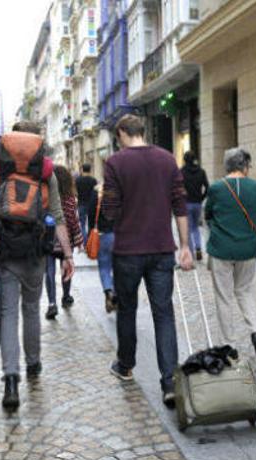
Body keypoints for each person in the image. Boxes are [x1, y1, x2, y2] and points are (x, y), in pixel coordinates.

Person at [0, 120, 74, 412]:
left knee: (8, 314)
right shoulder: (46, 174)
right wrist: (67, 255)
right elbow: (57, 216)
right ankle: (33, 363)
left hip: (3, 254)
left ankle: (10, 379)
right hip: (35, 254)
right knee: (31, 309)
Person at [102, 113, 194, 408]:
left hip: (128, 250)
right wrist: (185, 246)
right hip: (161, 249)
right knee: (163, 313)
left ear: (121, 134)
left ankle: (126, 365)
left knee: (126, 309)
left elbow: (110, 211)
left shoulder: (115, 163)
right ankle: (169, 382)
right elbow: (180, 205)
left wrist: (108, 207)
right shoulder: (167, 159)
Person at [203, 148, 256, 357]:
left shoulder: (217, 188)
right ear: (245, 165)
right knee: (244, 290)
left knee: (224, 297)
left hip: (221, 248)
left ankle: (228, 345)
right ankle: (255, 330)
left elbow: (207, 214)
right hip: (248, 249)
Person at [45, 165, 83, 319]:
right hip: (65, 239)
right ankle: (66, 296)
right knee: (66, 267)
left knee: (49, 271)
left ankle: (52, 303)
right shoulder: (70, 199)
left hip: (48, 239)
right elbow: (74, 221)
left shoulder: (47, 198)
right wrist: (79, 239)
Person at [88, 184, 117, 313]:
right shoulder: (120, 192)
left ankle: (108, 290)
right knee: (117, 268)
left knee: (104, 267)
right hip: (119, 235)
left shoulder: (97, 194)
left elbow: (91, 215)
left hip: (102, 235)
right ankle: (115, 293)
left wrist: (90, 233)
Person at [181, 151, 209, 261]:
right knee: (196, 227)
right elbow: (207, 187)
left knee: (187, 228)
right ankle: (198, 248)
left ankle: (191, 253)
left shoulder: (182, 172)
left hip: (186, 203)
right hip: (198, 203)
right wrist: (202, 198)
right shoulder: (201, 172)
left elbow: (178, 187)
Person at [75, 163, 98, 245]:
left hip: (81, 204)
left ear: (82, 170)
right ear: (90, 170)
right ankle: (89, 242)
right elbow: (96, 193)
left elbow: (75, 192)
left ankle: (84, 243)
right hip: (92, 204)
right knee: (91, 223)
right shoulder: (93, 180)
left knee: (82, 224)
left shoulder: (77, 180)